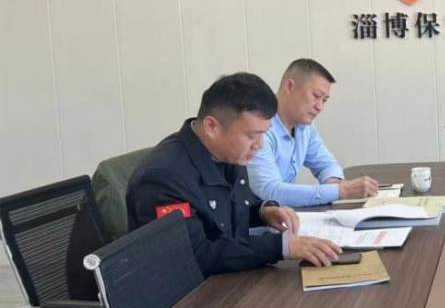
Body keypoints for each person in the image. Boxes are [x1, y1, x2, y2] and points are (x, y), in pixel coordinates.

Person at [127, 72, 342, 275]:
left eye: (264, 134)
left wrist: (263, 212)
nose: (259, 145)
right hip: (189, 295)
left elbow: (229, 210)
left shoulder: (226, 152)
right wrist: (279, 246)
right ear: (212, 126)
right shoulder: (163, 179)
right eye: (252, 135)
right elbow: (192, 256)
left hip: (229, 279)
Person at [248, 58, 380, 207]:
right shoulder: (259, 127)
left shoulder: (304, 126)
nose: (319, 106)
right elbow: (270, 191)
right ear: (289, 86)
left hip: (286, 215)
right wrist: (340, 191)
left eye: (325, 100)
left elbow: (326, 164)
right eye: (316, 96)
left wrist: (333, 181)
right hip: (255, 219)